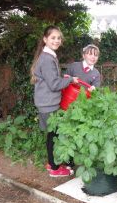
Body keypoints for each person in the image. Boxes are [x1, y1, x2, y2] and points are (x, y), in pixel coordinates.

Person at [30, 25, 78, 177]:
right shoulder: (47, 59)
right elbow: (54, 84)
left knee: (52, 134)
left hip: (46, 103)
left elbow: (51, 79)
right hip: (49, 104)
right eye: (53, 38)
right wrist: (70, 79)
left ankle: (52, 162)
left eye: (58, 38)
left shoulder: (49, 56)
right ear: (45, 39)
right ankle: (55, 168)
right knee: (54, 135)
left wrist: (62, 78)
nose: (56, 41)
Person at [63, 44, 101, 167]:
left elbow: (96, 87)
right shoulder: (74, 66)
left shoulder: (96, 73)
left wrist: (94, 89)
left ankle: (80, 158)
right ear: (83, 55)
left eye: (96, 55)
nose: (93, 57)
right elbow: (64, 79)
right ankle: (68, 160)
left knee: (79, 132)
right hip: (68, 103)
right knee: (68, 131)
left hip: (82, 107)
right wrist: (68, 79)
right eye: (90, 54)